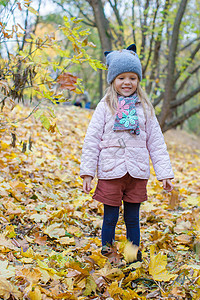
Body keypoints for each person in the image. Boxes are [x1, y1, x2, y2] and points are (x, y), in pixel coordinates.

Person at [80, 44, 174, 264]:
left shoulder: (145, 108)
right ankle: (108, 254)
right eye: (121, 77)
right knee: (110, 217)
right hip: (111, 172)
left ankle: (133, 258)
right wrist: (87, 172)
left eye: (132, 77)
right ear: (113, 80)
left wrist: (164, 173)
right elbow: (91, 140)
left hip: (137, 172)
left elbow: (157, 143)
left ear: (138, 80)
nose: (127, 82)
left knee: (133, 218)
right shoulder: (105, 107)